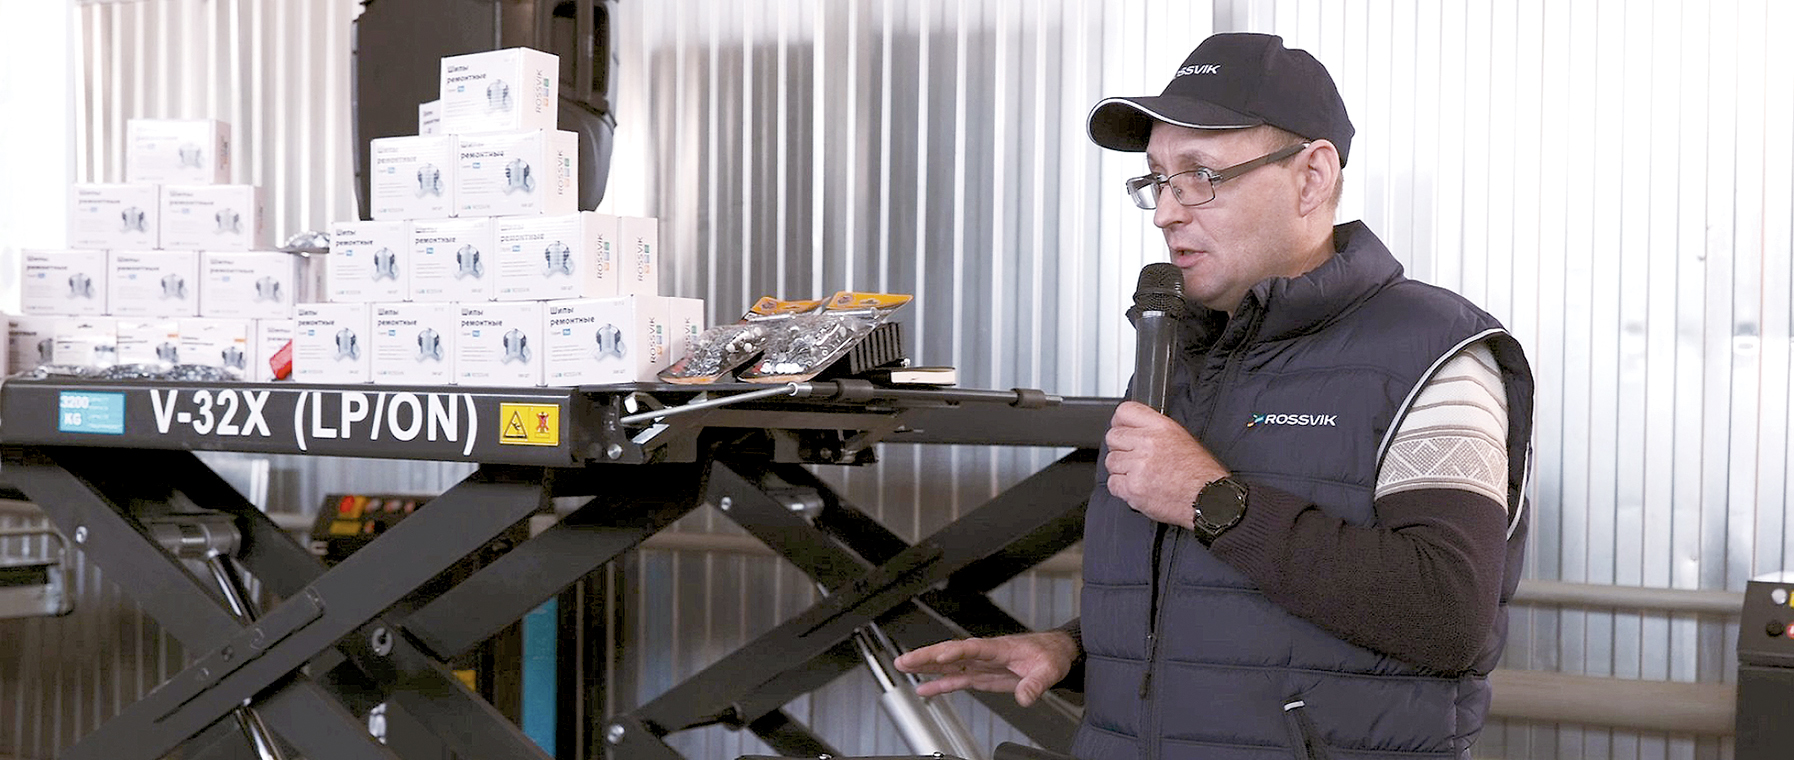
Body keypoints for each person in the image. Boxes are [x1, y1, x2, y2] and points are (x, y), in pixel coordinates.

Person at [894, 32, 1535, 760]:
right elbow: (1216, 597)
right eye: (1156, 180)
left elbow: (1447, 616)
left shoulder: (1432, 352)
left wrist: (1213, 499)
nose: (1167, 213)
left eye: (1200, 176)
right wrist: (1076, 650)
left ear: (1312, 177)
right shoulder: (1179, 353)